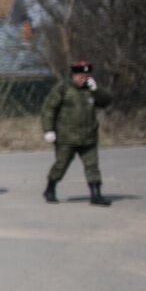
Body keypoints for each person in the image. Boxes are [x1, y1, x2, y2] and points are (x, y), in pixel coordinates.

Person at [42, 61, 112, 206]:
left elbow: (106, 102)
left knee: (92, 166)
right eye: (80, 76)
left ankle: (96, 195)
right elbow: (49, 108)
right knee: (61, 165)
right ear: (73, 75)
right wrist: (48, 130)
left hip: (89, 136)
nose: (83, 79)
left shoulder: (91, 89)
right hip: (66, 137)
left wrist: (96, 90)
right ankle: (50, 189)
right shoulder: (63, 88)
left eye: (86, 76)